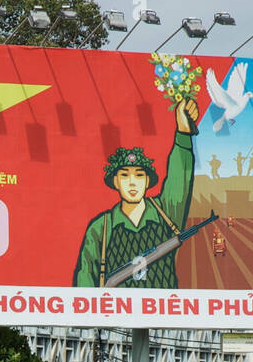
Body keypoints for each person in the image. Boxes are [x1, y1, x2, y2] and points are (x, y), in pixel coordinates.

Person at [73, 98, 199, 289]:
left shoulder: (165, 213)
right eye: (125, 175)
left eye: (139, 175)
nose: (132, 182)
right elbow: (85, 280)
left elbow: (179, 177)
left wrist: (183, 132)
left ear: (147, 181)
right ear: (115, 181)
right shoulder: (101, 227)